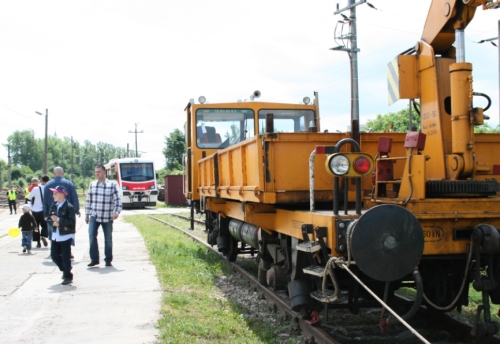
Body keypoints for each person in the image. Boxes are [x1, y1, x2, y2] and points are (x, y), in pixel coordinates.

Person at [85, 164, 122, 267]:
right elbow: (88, 200)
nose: (97, 173)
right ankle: (94, 259)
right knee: (92, 236)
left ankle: (108, 259)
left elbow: (118, 200)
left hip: (107, 216)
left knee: (108, 239)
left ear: (104, 172)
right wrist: (87, 215)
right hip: (94, 215)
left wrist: (117, 212)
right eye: (96, 172)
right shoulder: (92, 184)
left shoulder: (112, 185)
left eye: (99, 172)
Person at [47, 186, 75, 285]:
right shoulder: (54, 205)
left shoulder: (69, 207)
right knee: (54, 255)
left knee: (65, 256)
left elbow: (71, 221)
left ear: (62, 195)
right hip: (55, 234)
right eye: (53, 193)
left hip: (65, 235)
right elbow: (49, 218)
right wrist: (53, 223)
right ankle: (65, 269)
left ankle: (68, 276)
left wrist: (59, 221)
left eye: (55, 194)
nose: (53, 196)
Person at [43, 167, 80, 241]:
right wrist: (76, 210)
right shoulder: (69, 184)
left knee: (53, 232)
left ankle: (54, 249)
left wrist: (46, 214)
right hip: (66, 213)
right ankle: (67, 249)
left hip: (52, 213)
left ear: (54, 173)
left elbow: (45, 201)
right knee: (67, 232)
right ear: (63, 173)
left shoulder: (48, 185)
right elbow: (74, 198)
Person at [28, 177, 48, 248]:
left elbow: (29, 198)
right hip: (43, 210)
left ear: (40, 180)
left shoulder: (35, 189)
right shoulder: (48, 188)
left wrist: (30, 207)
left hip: (35, 210)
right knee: (45, 225)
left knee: (35, 227)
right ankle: (43, 235)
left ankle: (38, 242)